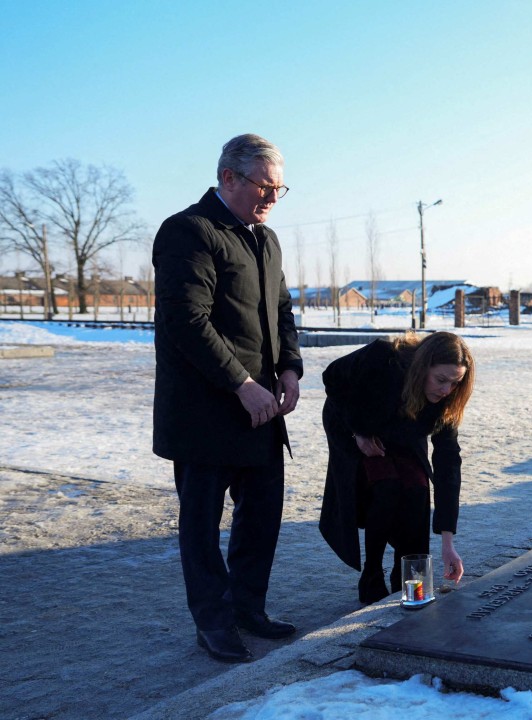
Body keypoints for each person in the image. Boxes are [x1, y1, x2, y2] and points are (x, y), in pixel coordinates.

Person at [152, 134, 301, 663]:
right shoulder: (188, 231)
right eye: (263, 186)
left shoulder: (267, 239)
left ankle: (247, 608)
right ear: (228, 177)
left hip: (263, 407)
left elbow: (282, 310)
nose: (270, 199)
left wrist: (289, 368)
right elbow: (186, 322)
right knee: (202, 524)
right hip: (206, 410)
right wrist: (241, 383)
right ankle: (212, 622)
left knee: (262, 516)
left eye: (279, 190)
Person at [319, 331, 473, 605]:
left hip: (402, 432)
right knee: (386, 485)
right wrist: (359, 432)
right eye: (440, 380)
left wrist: (448, 544)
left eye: (455, 382)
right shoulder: (384, 357)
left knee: (416, 487)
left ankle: (407, 576)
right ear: (422, 367)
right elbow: (332, 376)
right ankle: (371, 574)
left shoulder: (446, 400)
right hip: (355, 423)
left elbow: (448, 465)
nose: (446, 390)